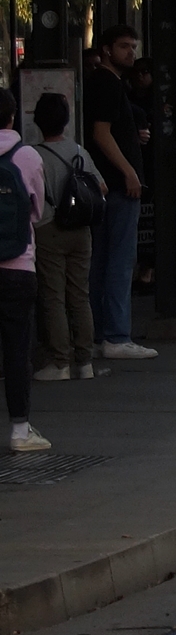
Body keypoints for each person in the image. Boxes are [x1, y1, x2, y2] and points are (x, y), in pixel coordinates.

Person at [84, 26, 153, 361]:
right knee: (120, 260)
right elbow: (101, 133)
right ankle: (116, 334)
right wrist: (129, 171)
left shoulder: (104, 83)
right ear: (107, 49)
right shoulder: (109, 84)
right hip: (117, 184)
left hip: (103, 184)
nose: (132, 52)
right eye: (125, 46)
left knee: (101, 260)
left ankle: (100, 333)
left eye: (133, 46)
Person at [30, 92, 97, 384]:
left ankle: (60, 361)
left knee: (53, 296)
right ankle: (85, 361)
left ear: (37, 122)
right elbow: (101, 188)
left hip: (48, 228)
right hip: (81, 229)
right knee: (80, 294)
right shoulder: (80, 151)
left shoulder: (34, 155)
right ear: (67, 121)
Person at [0, 90, 46, 451]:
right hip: (17, 267)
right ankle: (20, 430)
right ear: (13, 116)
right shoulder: (26, 156)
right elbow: (37, 211)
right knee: (17, 350)